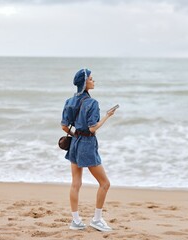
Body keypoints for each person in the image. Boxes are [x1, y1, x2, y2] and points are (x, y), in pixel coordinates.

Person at [61, 68, 117, 232]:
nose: (94, 81)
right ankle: (97, 220)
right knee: (105, 183)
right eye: (91, 79)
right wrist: (107, 116)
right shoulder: (92, 103)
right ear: (85, 83)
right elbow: (92, 129)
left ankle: (76, 221)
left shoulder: (69, 101)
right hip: (87, 145)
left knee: (75, 184)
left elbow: (64, 126)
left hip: (75, 144)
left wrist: (75, 135)